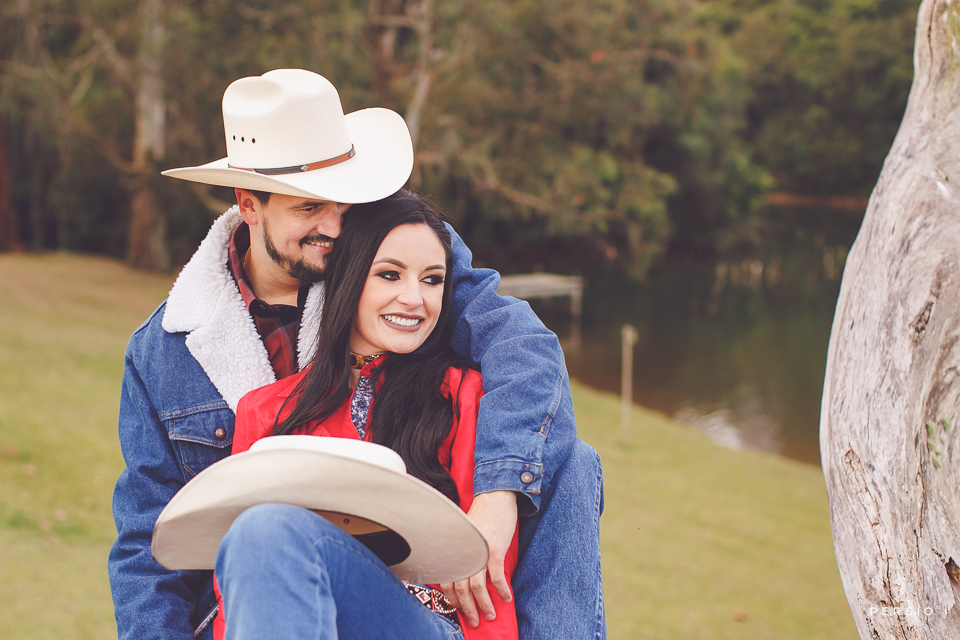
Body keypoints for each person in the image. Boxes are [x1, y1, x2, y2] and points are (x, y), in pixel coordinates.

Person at [108, 68, 605, 639]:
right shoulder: (165, 356)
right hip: (266, 596)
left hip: (404, 610)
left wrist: (499, 495)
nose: (336, 226)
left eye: (344, 200)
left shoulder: (389, 245)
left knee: (570, 459)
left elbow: (522, 344)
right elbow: (147, 546)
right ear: (249, 204)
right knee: (265, 533)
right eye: (307, 208)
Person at [214, 191, 517, 639]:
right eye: (390, 275)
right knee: (259, 533)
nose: (414, 299)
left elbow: (489, 584)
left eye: (432, 280)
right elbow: (241, 589)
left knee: (267, 528)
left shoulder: (464, 396)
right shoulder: (266, 412)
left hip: (430, 628)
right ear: (349, 277)